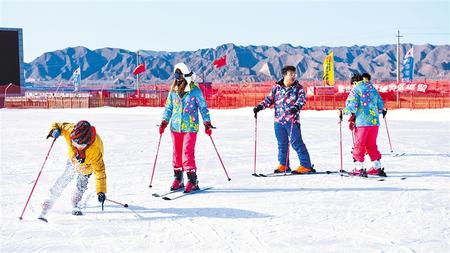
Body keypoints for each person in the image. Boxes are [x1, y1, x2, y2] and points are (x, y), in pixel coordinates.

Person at [159, 62, 213, 193]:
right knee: (176, 153)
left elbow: (203, 107)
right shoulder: (174, 90)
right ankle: (179, 178)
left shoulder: (194, 90)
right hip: (176, 127)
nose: (176, 77)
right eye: (175, 74)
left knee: (187, 153)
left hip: (190, 127)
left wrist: (207, 123)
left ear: (184, 75)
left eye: (179, 74)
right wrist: (164, 121)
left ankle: (192, 180)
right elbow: (169, 107)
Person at [39, 120, 107, 222]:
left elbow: (100, 172)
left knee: (81, 183)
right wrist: (54, 131)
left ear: (87, 143)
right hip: (73, 159)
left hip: (87, 166)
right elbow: (59, 125)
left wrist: (101, 191)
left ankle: (76, 201)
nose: (76, 145)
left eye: (80, 144)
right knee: (65, 177)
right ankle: (50, 199)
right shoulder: (71, 131)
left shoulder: (95, 151)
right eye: (74, 142)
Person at [253, 65, 314, 174]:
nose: (293, 76)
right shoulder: (276, 88)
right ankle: (283, 165)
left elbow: (302, 100)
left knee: (296, 142)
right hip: (278, 121)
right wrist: (260, 107)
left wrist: (296, 107)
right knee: (282, 143)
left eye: (294, 74)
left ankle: (306, 165)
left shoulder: (298, 88)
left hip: (292, 121)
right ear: (284, 75)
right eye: (291, 74)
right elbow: (269, 100)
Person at [342, 73, 387, 176]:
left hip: (362, 122)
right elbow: (380, 105)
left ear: (354, 82)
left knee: (359, 144)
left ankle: (359, 168)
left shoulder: (356, 89)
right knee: (371, 144)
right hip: (374, 122)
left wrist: (343, 111)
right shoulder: (372, 89)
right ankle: (377, 166)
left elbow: (352, 106)